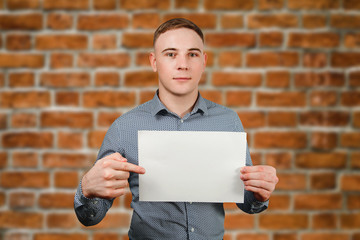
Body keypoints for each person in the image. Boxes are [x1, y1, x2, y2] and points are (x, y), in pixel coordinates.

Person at [74, 18, 278, 239]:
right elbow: (90, 217)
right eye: (171, 54)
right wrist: (86, 190)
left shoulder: (228, 121)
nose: (183, 64)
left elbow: (248, 203)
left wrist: (259, 195)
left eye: (192, 54)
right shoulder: (125, 127)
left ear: (204, 61)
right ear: (154, 62)